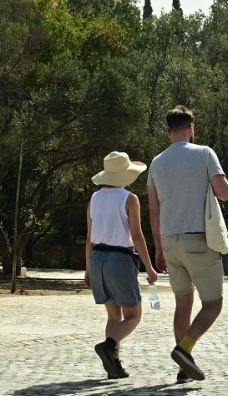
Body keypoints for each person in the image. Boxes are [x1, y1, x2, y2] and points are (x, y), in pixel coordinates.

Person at [147, 105, 228, 383]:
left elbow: (154, 210)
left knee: (183, 303)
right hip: (199, 239)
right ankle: (185, 349)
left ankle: (184, 368)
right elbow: (224, 193)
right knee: (213, 304)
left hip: (170, 241)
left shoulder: (157, 162)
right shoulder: (205, 153)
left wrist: (158, 248)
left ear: (168, 131)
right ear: (191, 129)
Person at [84, 151, 159, 380]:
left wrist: (88, 268)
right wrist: (150, 267)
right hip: (120, 259)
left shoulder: (94, 199)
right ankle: (109, 346)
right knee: (133, 315)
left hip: (97, 258)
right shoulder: (129, 198)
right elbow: (136, 236)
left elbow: (89, 237)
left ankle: (114, 367)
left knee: (113, 316)